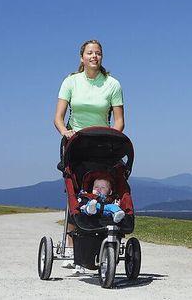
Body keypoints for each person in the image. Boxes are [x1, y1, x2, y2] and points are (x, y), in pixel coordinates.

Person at [54, 39, 125, 270]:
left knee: (105, 186)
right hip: (76, 142)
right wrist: (66, 132)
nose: (94, 56)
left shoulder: (112, 84)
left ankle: (105, 236)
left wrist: (113, 138)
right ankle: (72, 242)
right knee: (76, 188)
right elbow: (58, 117)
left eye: (98, 53)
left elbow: (119, 121)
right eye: (90, 53)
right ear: (82, 57)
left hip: (103, 145)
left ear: (102, 57)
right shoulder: (71, 82)